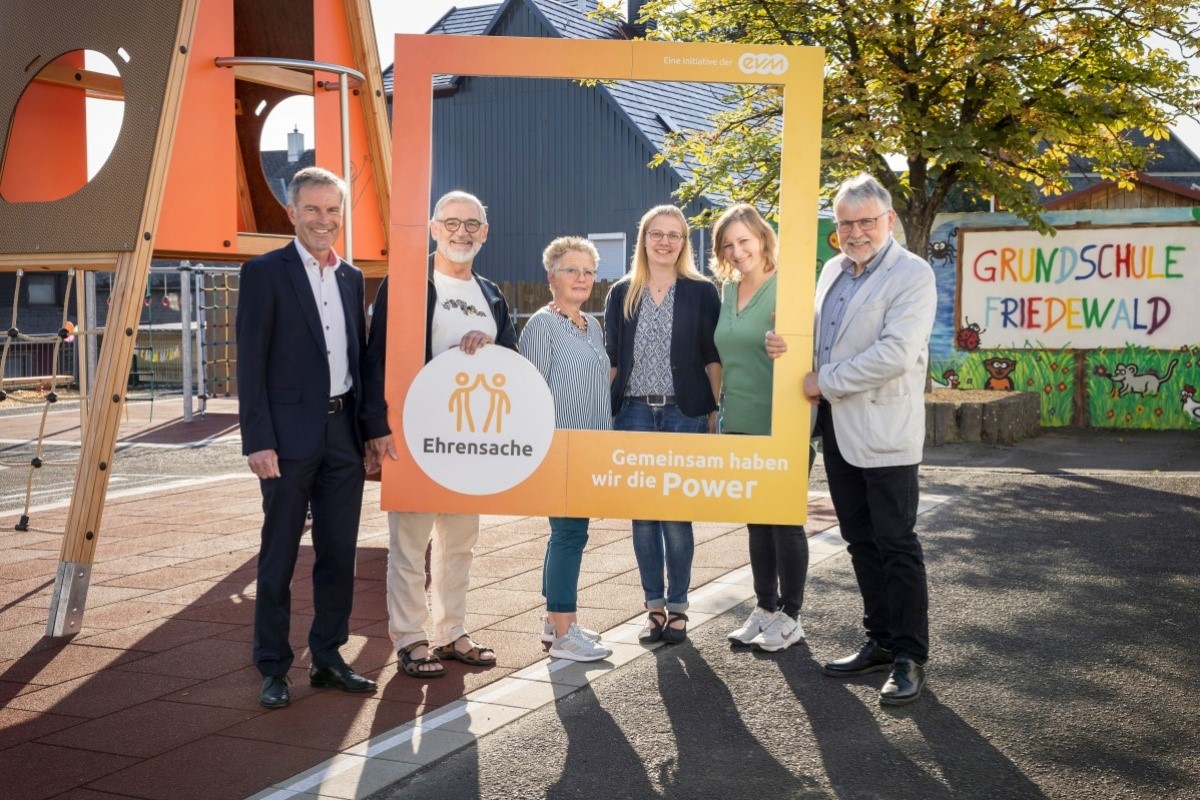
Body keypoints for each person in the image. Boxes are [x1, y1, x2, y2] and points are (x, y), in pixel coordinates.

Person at [236, 166, 377, 709]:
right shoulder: (264, 272)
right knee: (278, 554)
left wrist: (367, 431)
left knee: (339, 553)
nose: (325, 220)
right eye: (314, 210)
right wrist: (258, 439)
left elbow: (359, 361)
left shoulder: (351, 277)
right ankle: (273, 666)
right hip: (287, 439)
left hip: (343, 433)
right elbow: (250, 362)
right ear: (292, 214)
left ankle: (328, 657)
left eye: (333, 210)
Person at [362, 190, 516, 678]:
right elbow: (376, 356)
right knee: (410, 544)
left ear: (484, 233)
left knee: (459, 542)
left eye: (472, 224)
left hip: (470, 440)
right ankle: (410, 639)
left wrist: (489, 346)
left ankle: (452, 633)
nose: (461, 232)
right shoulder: (408, 284)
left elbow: (510, 364)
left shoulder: (491, 294)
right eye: (451, 222)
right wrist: (375, 426)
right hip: (414, 434)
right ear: (433, 228)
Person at [803, 173, 937, 706]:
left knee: (896, 545)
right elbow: (822, 340)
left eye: (865, 222)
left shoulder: (913, 274)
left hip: (884, 431)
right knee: (859, 540)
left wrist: (824, 381)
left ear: (888, 221)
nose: (855, 232)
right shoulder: (832, 270)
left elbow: (895, 354)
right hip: (837, 429)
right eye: (845, 224)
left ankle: (909, 655)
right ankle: (879, 641)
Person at [604, 205, 721, 645]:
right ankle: (653, 606)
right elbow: (614, 359)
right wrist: (605, 411)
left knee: (676, 513)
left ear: (684, 242)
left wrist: (713, 412)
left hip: (684, 410)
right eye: (658, 233)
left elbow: (712, 355)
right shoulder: (622, 293)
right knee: (643, 514)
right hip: (633, 411)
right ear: (645, 239)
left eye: (675, 234)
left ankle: (679, 608)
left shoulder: (701, 291)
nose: (665, 241)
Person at [709, 203, 809, 653]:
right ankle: (765, 608)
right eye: (728, 245)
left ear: (763, 238)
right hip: (741, 422)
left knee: (784, 522)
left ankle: (791, 616)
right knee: (756, 522)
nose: (737, 251)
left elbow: (814, 348)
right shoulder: (728, 290)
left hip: (782, 421)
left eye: (743, 241)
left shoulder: (788, 288)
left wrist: (791, 346)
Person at [518, 237, 614, 662]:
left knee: (570, 533)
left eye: (588, 271)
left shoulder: (591, 325)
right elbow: (529, 392)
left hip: (590, 448)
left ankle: (553, 619)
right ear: (551, 276)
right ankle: (564, 632)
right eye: (571, 270)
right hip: (559, 448)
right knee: (570, 533)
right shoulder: (541, 325)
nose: (581, 278)